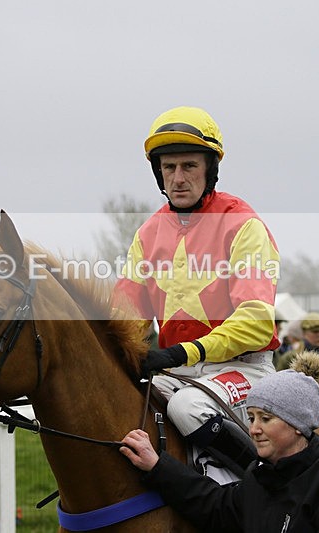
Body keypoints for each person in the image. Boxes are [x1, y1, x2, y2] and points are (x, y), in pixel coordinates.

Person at [114, 106, 281, 474]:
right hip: (179, 374)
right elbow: (124, 316)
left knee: (189, 408)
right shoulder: (147, 234)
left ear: (210, 169)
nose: (178, 178)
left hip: (242, 368)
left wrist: (177, 353)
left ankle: (270, 483)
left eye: (189, 166)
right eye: (168, 168)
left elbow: (255, 322)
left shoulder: (242, 224)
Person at [119, 351, 319, 532]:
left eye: (265, 419)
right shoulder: (262, 473)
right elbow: (216, 506)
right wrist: (157, 466)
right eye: (251, 417)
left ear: (297, 425)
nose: (253, 429)